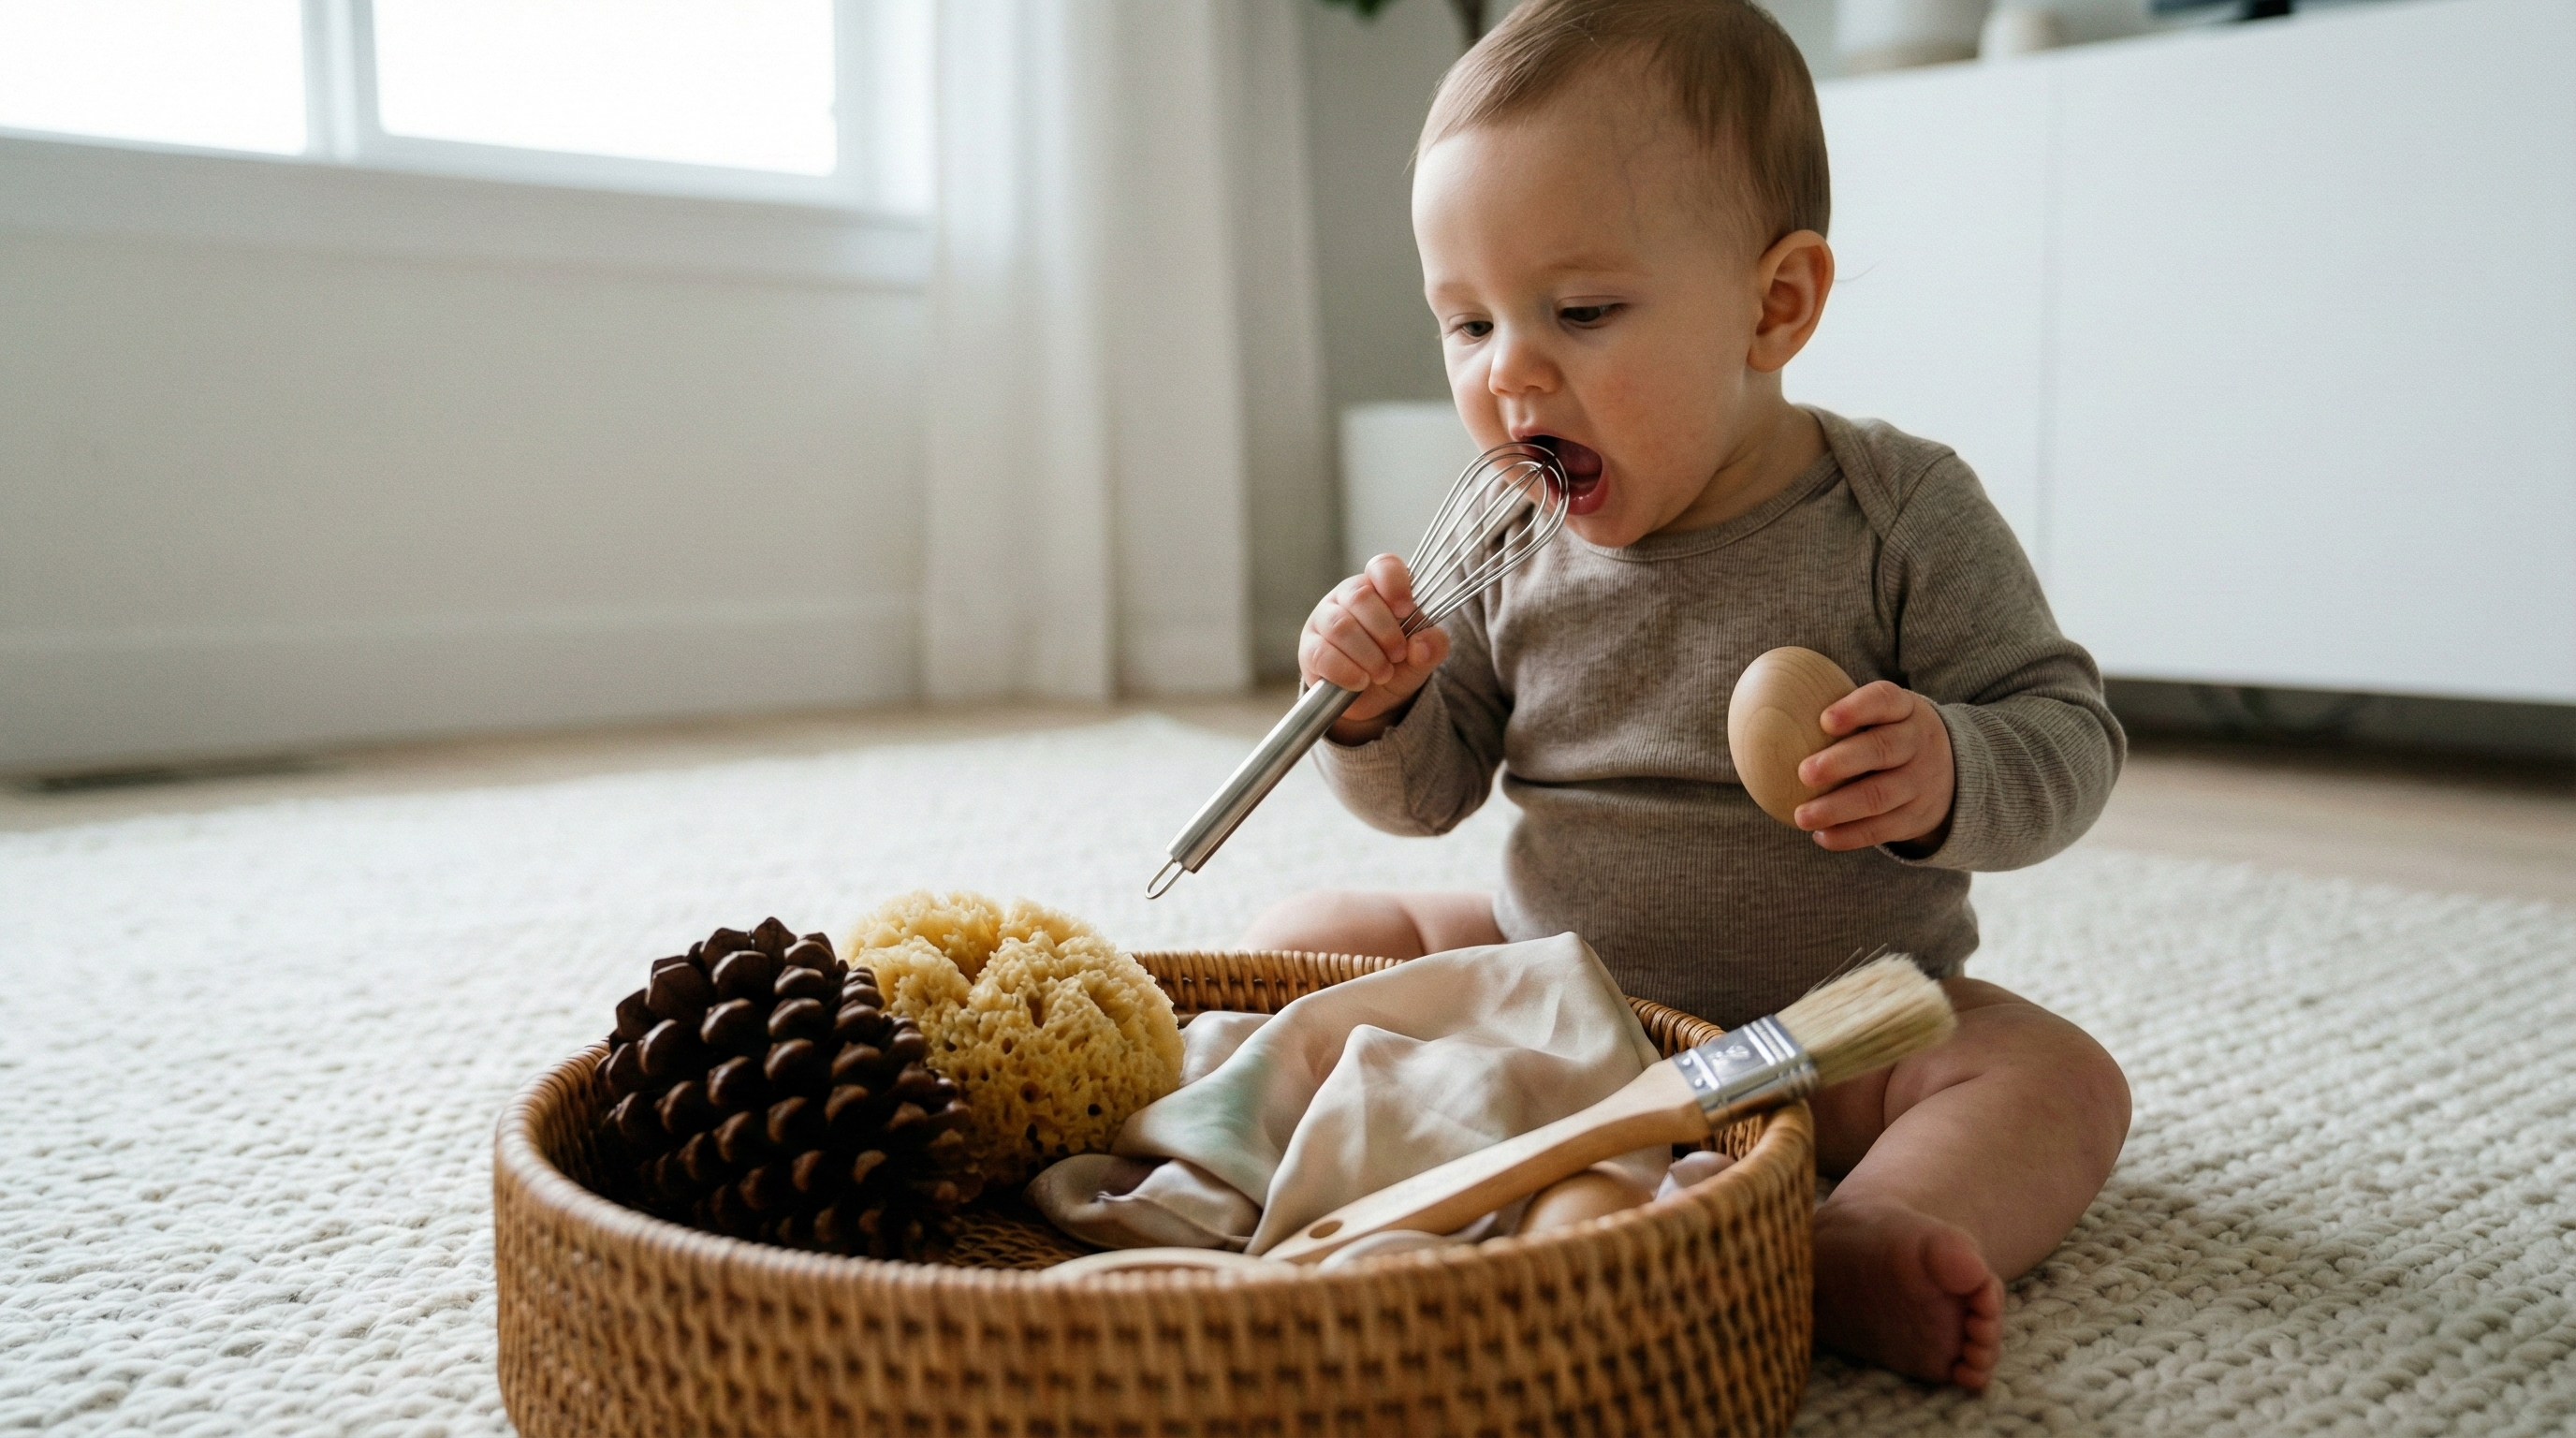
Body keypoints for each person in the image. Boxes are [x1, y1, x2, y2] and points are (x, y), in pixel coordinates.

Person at [1241, 0, 2131, 1389]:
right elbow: (1428, 799)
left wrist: (1950, 768)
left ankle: (1863, 1231)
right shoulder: (1507, 535)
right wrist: (1369, 711)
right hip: (1563, 995)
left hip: (1835, 1031)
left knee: (2056, 1080)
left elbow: (2068, 736)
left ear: (1775, 307)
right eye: (1466, 323)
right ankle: (1298, 1148)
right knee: (1314, 935)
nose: (1509, 372)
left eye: (1580, 312)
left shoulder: (1900, 513)